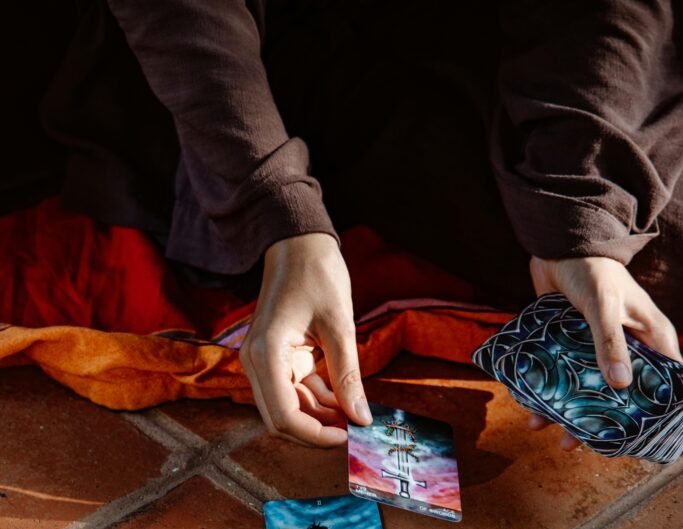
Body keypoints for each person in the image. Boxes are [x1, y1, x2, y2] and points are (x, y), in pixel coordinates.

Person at [6, 1, 682, 449]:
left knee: (643, 246)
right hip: (258, 47)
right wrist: (280, 218)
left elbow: (600, 19)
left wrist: (578, 217)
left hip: (494, 35)